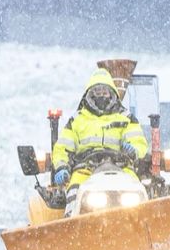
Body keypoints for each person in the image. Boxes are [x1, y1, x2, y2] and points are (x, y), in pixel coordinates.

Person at [52, 68, 149, 214]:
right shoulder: (77, 120)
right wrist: (61, 168)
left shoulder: (126, 118)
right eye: (97, 92)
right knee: (74, 191)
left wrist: (133, 150)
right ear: (89, 95)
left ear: (112, 94)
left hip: (122, 169)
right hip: (85, 169)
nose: (101, 96)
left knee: (138, 190)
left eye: (105, 92)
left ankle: (146, 224)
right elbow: (62, 149)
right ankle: (70, 225)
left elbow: (138, 142)